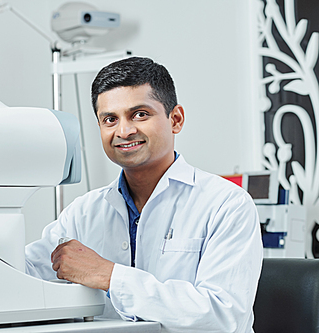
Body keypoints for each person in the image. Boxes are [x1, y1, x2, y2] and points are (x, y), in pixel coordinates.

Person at [25, 56, 263, 332]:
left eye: (140, 114)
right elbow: (26, 272)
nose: (124, 131)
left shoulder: (227, 204)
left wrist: (109, 276)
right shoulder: (83, 212)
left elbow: (222, 317)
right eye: (110, 119)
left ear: (175, 119)